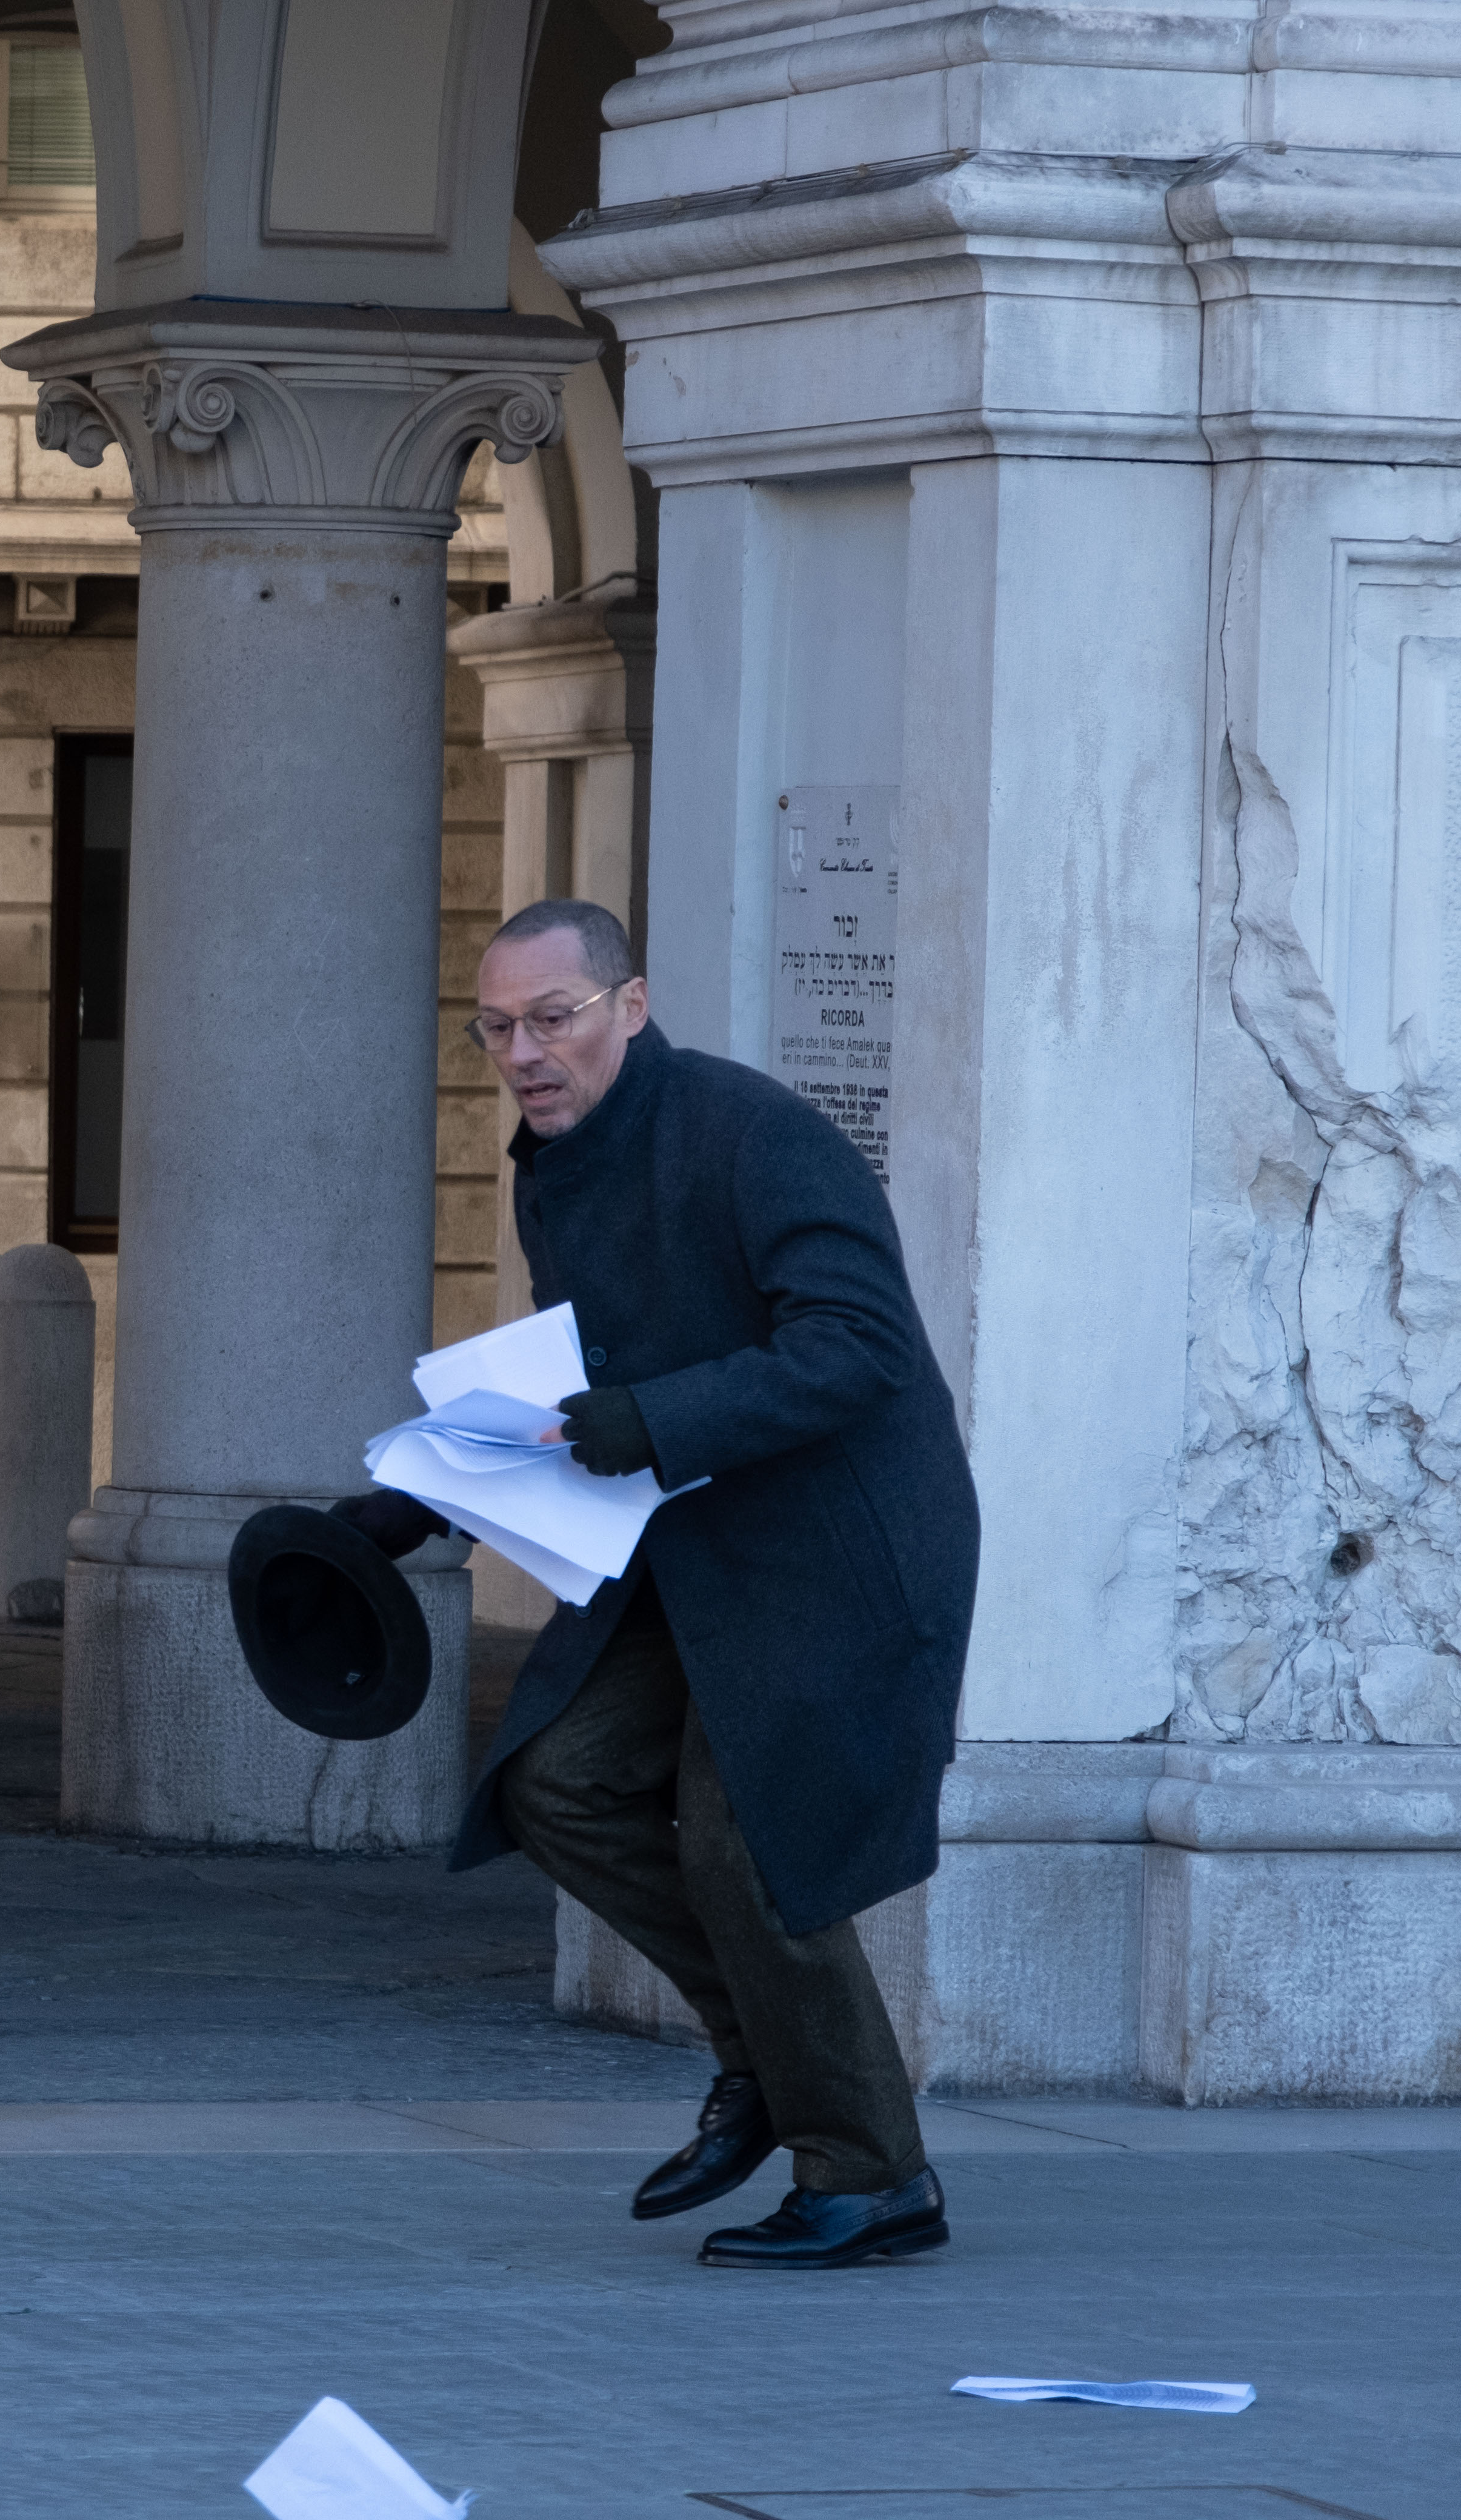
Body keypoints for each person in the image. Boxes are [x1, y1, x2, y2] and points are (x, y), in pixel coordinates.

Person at [338, 898, 980, 2271]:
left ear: (629, 1006)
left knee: (746, 1843)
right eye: (495, 1028)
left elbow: (859, 1346)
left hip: (837, 1547)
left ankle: (872, 2177)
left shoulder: (754, 1135)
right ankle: (768, 2058)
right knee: (554, 1778)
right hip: (692, 1540)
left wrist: (656, 1420)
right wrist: (419, 1495)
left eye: (551, 1018)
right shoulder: (554, 1166)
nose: (523, 1053)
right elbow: (582, 1379)